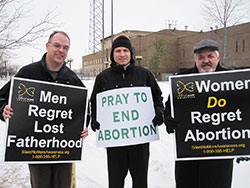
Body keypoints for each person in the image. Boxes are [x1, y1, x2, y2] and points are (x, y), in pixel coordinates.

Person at [0, 31, 88, 188]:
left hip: (63, 150)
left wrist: (83, 126)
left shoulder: (72, 79)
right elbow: (2, 98)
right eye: (57, 45)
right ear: (47, 46)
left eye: (65, 48)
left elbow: (84, 109)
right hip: (36, 148)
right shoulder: (28, 73)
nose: (61, 50)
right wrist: (3, 110)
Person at [90, 35, 164, 188]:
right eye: (118, 51)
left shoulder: (144, 74)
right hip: (115, 143)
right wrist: (95, 118)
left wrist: (158, 112)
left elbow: (157, 97)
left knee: (140, 181)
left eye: (125, 50)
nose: (122, 54)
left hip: (140, 141)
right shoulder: (103, 78)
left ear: (131, 53)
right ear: (112, 54)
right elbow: (95, 102)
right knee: (116, 181)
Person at [164, 39, 234, 188]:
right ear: (195, 60)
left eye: (210, 56)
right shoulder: (183, 80)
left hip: (219, 155)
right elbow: (169, 107)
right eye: (201, 57)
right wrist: (168, 118)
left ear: (218, 58)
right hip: (189, 153)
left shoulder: (232, 80)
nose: (205, 61)